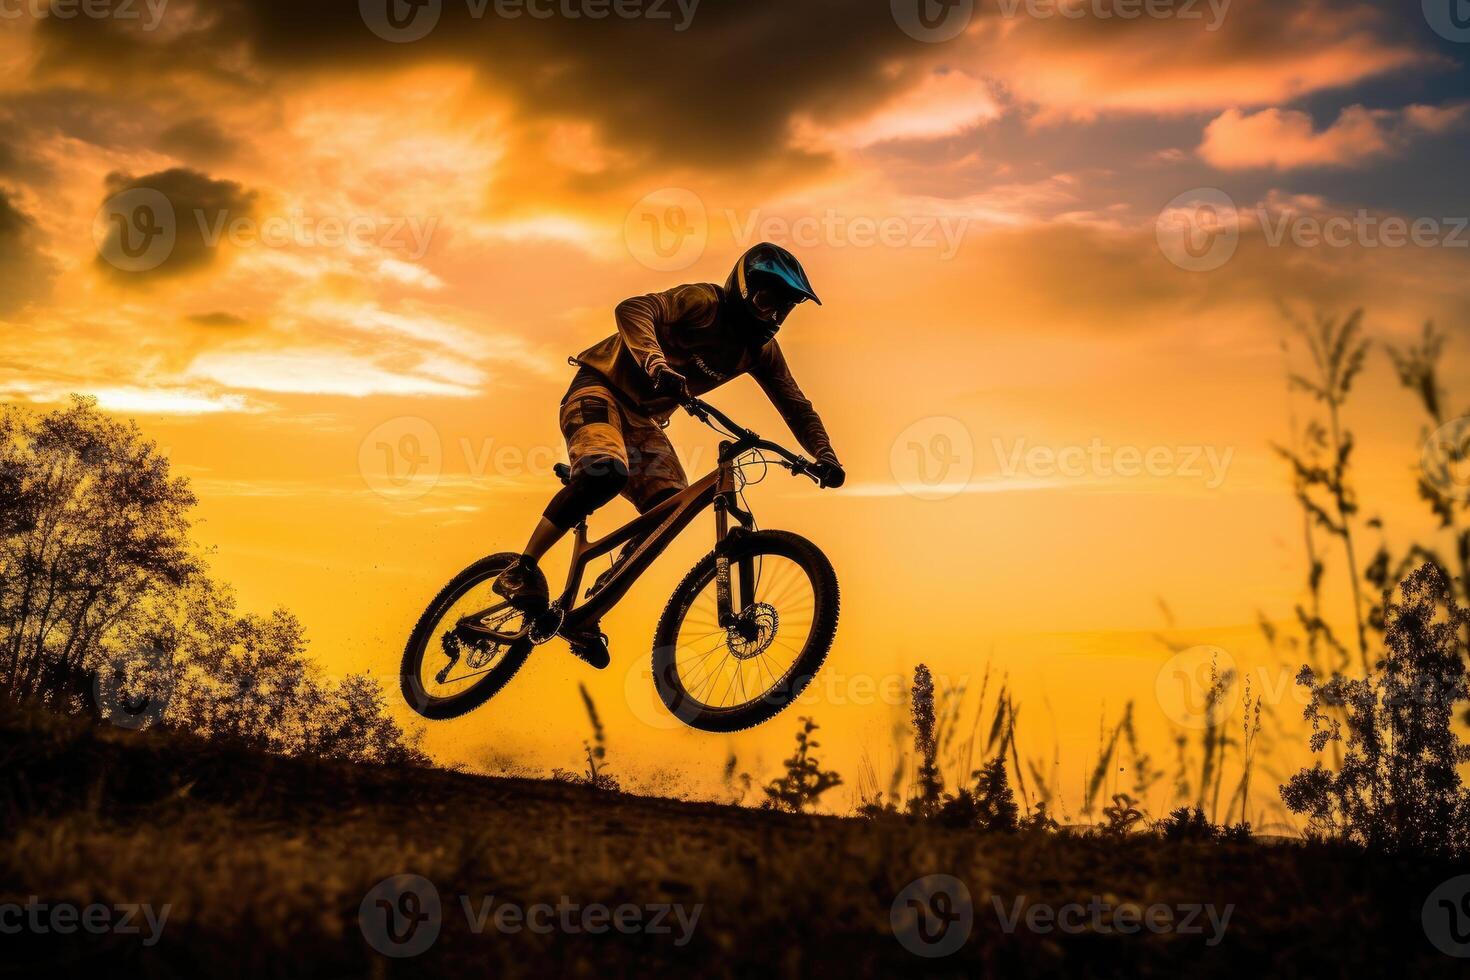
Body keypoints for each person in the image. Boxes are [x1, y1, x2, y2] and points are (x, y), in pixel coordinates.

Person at [492, 242, 845, 668]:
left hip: (644, 422)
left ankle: (592, 607)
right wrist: (655, 363)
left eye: (784, 309)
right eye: (768, 300)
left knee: (668, 512)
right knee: (606, 472)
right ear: (743, 288)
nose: (772, 316)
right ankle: (521, 567)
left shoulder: (759, 352)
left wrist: (825, 456)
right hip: (599, 388)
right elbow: (633, 310)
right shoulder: (704, 302)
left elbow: (796, 405)